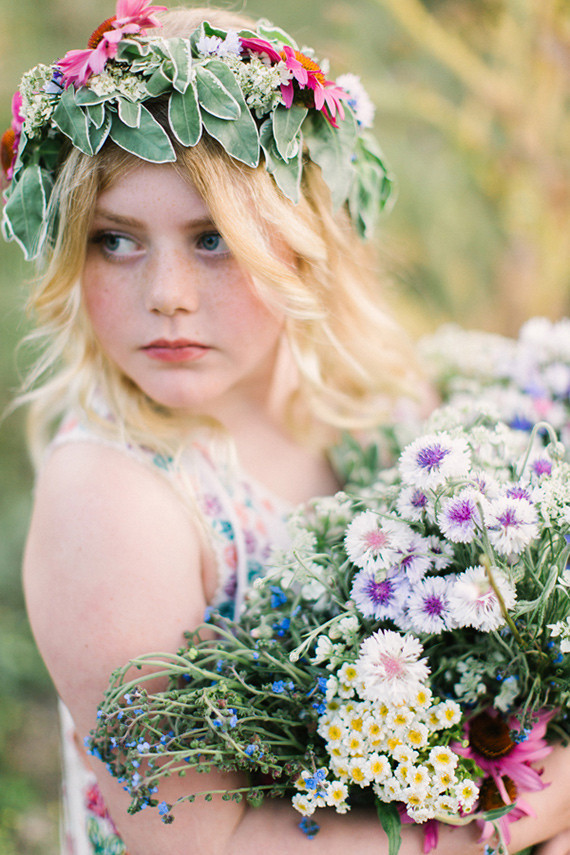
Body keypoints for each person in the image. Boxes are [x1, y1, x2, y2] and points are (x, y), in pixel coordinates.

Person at [3, 3, 570, 854]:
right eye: (114, 240)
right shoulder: (113, 503)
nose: (166, 294)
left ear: (301, 244)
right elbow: (207, 843)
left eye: (214, 239)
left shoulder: (368, 398)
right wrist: (527, 813)